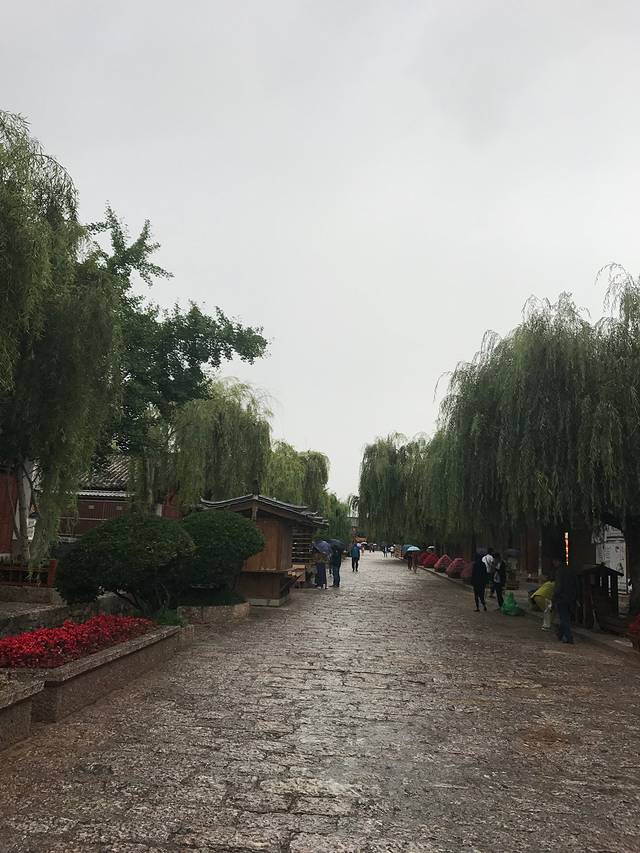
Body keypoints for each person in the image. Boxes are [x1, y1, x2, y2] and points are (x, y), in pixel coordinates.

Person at [553, 559, 578, 644]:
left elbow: (558, 587)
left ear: (558, 561)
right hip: (571, 597)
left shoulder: (559, 571)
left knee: (564, 618)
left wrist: (554, 596)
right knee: (566, 617)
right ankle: (560, 634)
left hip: (562, 597)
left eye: (554, 561)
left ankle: (568, 637)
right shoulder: (571, 570)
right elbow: (576, 584)